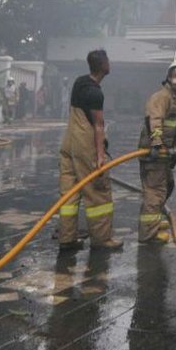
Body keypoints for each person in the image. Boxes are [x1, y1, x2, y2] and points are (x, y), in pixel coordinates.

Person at [57, 49, 122, 251]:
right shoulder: (95, 92)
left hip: (69, 141)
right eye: (108, 61)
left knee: (69, 192)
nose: (110, 63)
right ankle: (102, 240)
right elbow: (99, 125)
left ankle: (67, 238)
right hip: (85, 145)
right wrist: (101, 156)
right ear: (103, 65)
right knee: (98, 191)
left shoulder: (79, 82)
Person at [137, 58, 176, 244]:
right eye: (174, 75)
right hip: (154, 151)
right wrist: (157, 144)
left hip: (165, 152)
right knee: (155, 191)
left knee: (167, 186)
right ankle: (149, 234)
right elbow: (154, 120)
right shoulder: (162, 97)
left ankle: (153, 221)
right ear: (168, 77)